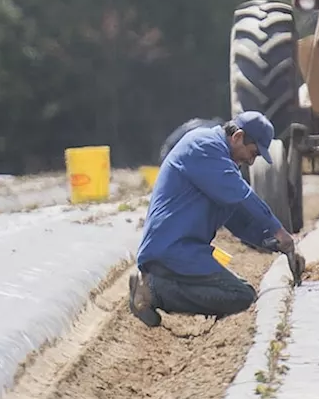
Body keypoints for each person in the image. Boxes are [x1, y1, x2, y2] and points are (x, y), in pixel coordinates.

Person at [128, 111, 299, 328]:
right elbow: (243, 195)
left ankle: (158, 288)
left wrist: (272, 243)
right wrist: (279, 230)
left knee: (241, 292)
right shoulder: (203, 146)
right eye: (253, 152)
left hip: (185, 250)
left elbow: (236, 219)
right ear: (237, 137)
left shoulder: (220, 161)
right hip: (171, 249)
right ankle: (154, 292)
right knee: (240, 295)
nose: (251, 160)